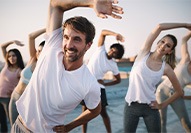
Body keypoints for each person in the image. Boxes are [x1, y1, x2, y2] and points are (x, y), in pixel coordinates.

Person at [11, 0, 124, 132]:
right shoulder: (53, 44)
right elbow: (55, 4)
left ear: (88, 45)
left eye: (77, 39)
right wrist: (91, 3)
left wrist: (69, 127)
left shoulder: (89, 84)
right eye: (66, 37)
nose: (69, 45)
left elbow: (95, 110)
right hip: (18, 126)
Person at [123, 23, 191, 133]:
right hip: (131, 106)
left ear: (170, 51)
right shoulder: (143, 53)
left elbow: (179, 92)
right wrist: (184, 25)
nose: (163, 46)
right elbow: (159, 26)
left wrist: (162, 105)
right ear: (158, 42)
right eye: (162, 42)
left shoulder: (167, 68)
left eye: (168, 46)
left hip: (151, 107)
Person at [81, 29, 125, 133]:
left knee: (103, 112)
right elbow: (103, 32)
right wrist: (116, 33)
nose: (113, 51)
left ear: (117, 56)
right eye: (113, 49)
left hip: (99, 88)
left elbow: (118, 80)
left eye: (116, 52)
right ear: (111, 48)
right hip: (86, 84)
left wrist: (105, 83)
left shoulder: (113, 65)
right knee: (84, 111)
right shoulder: (101, 49)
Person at [8, 28, 46, 126]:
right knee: (13, 126)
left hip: (28, 102)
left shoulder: (47, 69)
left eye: (42, 51)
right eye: (38, 50)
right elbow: (31, 37)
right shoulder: (33, 59)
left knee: (26, 128)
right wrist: (49, 28)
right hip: (15, 96)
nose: (38, 53)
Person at [156, 30, 191, 132]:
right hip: (162, 91)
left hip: (177, 95)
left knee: (186, 123)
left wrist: (184, 97)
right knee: (162, 122)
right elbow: (184, 40)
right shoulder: (185, 60)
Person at [0, 40, 24, 132]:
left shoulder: (20, 71)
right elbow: (2, 46)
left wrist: (14, 91)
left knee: (12, 122)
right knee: (2, 122)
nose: (11, 58)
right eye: (9, 56)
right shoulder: (6, 65)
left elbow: (23, 86)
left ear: (18, 57)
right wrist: (13, 42)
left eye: (14, 56)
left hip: (8, 99)